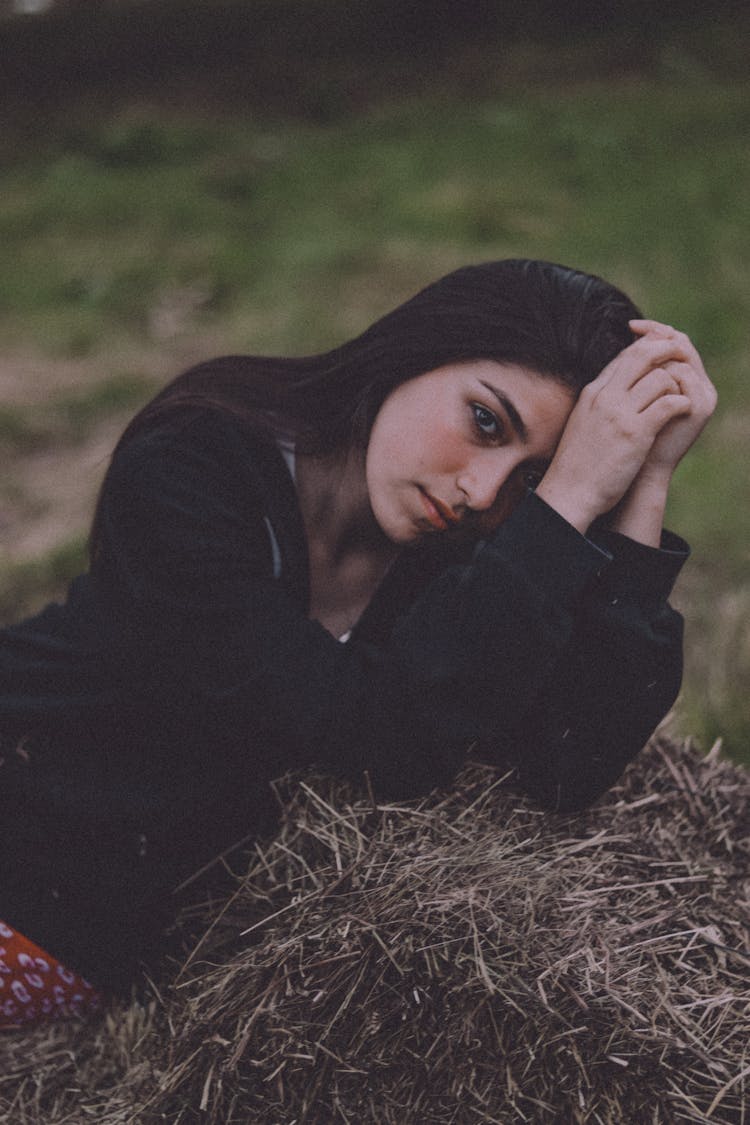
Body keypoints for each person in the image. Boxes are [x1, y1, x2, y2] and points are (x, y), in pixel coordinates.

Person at [0, 259, 716, 1027]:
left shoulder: (465, 560)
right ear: (421, 349)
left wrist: (642, 484)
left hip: (141, 939)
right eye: (485, 421)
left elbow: (567, 759)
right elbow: (373, 734)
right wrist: (566, 501)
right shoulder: (193, 465)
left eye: (534, 479)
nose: (481, 492)